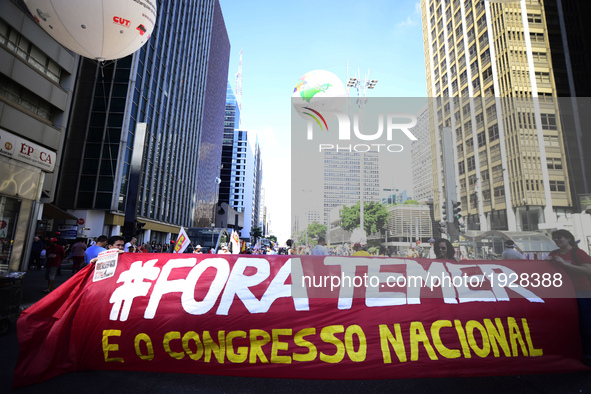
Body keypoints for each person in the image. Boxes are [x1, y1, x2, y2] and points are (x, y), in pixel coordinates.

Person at [546, 229, 591, 366]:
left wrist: (565, 265)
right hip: (563, 293)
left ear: (569, 239)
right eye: (555, 238)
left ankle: (588, 353)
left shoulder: (578, 253)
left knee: (586, 323)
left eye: (560, 238)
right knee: (567, 322)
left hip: (582, 291)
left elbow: (588, 270)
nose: (557, 240)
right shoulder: (553, 254)